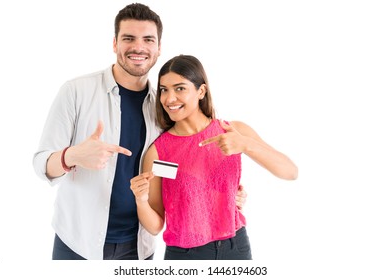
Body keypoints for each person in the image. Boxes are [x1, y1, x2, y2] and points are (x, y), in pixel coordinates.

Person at [33, 3, 246, 260]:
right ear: (115, 44)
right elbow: (40, 164)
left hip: (138, 247)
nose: (138, 47)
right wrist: (72, 156)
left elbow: (179, 167)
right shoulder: (76, 91)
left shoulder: (166, 109)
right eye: (128, 38)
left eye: (148, 39)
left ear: (158, 49)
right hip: (78, 243)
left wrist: (223, 192)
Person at [130, 55, 298, 260]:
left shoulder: (232, 130)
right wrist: (141, 200)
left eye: (180, 88)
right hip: (186, 256)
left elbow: (290, 172)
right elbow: (155, 226)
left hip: (236, 247)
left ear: (201, 91)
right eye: (164, 89)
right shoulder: (158, 152)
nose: (169, 98)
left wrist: (246, 144)